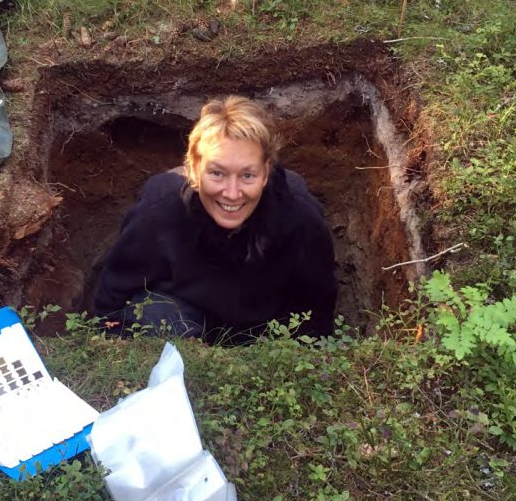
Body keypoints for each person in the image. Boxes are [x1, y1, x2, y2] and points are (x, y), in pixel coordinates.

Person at [94, 96, 337, 342]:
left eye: (248, 175)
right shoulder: (160, 210)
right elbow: (115, 294)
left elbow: (317, 308)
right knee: (158, 315)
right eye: (217, 173)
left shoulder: (300, 218)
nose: (232, 193)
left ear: (266, 172)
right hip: (185, 318)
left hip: (265, 328)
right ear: (193, 169)